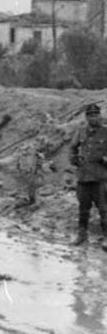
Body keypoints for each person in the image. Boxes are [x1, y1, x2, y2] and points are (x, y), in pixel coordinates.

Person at [69, 103, 107, 250]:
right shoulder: (81, 132)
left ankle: (106, 237)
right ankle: (82, 234)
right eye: (90, 115)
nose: (93, 118)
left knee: (104, 209)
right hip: (83, 177)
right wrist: (74, 159)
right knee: (83, 208)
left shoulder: (105, 132)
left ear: (100, 116)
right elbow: (73, 147)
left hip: (100, 177)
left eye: (95, 115)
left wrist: (104, 159)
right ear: (86, 117)